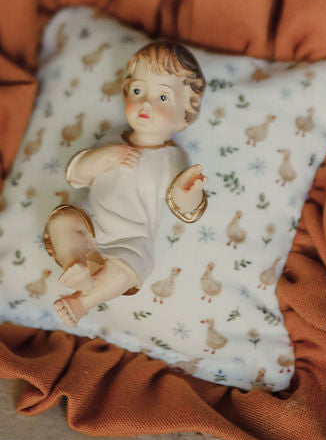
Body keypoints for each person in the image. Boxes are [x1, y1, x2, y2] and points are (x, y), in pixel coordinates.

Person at [44, 38, 207, 328]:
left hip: (131, 239)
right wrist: (106, 157)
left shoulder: (173, 158)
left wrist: (189, 191)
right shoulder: (113, 139)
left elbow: (182, 207)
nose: (145, 102)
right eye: (137, 90)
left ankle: (83, 301)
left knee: (130, 270)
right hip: (91, 220)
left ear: (185, 116)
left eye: (163, 97)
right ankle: (75, 264)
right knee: (61, 221)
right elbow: (78, 175)